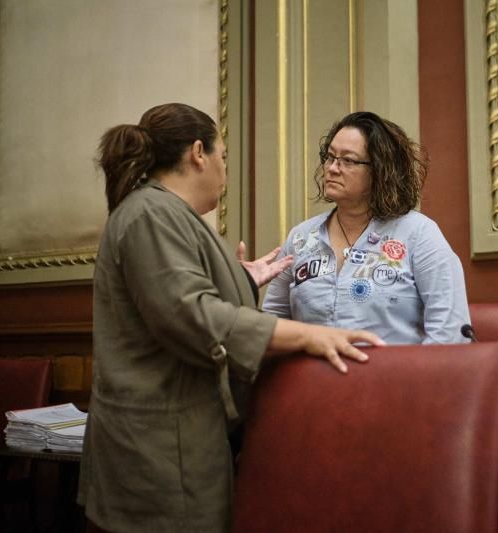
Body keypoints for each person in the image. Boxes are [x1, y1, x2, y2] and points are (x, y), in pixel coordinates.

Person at [77, 103, 383, 532]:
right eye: (223, 156)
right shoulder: (150, 213)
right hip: (157, 449)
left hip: (180, 440)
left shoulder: (167, 214)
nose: (225, 168)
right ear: (198, 153)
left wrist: (237, 280)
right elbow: (191, 316)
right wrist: (309, 336)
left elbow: (170, 296)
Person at [262, 111, 470, 344]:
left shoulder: (419, 234)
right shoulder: (300, 237)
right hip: (314, 378)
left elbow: (450, 333)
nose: (332, 168)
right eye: (330, 157)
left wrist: (412, 378)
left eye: (348, 160)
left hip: (396, 377)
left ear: (380, 171)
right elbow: (270, 327)